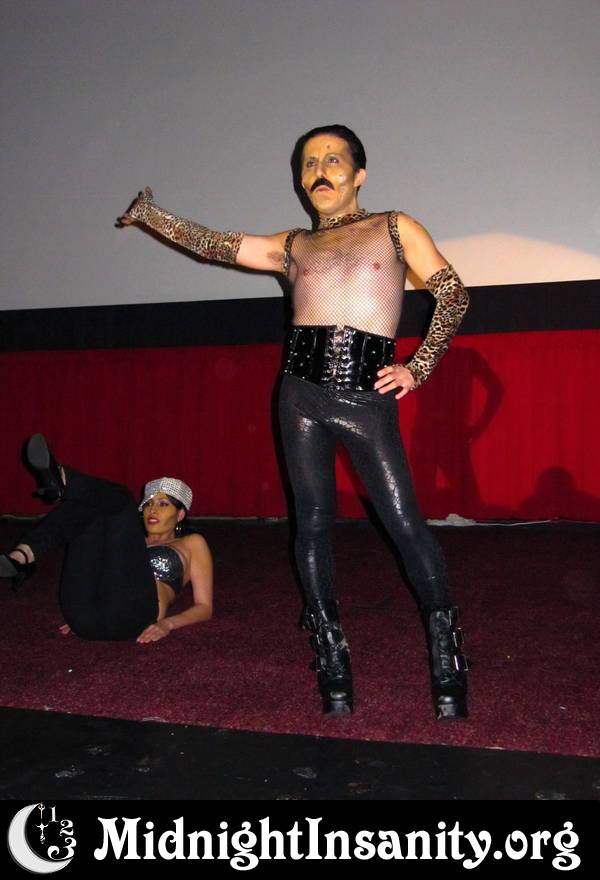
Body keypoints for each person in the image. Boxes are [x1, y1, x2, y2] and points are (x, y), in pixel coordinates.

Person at [117, 123, 470, 718]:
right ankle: (332, 657)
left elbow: (453, 293)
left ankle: (447, 654)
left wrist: (418, 366)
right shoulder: (293, 245)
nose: (319, 170)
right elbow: (214, 244)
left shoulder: (393, 227)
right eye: (309, 162)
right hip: (300, 396)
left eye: (333, 159)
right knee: (312, 525)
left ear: (359, 174)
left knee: (405, 524)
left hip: (366, 396)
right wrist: (152, 215)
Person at [0, 434, 212, 643]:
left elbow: (204, 607)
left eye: (163, 504)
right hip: (83, 616)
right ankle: (23, 555)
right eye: (148, 504)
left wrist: (168, 624)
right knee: (92, 511)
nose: (152, 510)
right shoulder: (127, 538)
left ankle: (62, 482)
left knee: (121, 499)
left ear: (180, 514)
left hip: (134, 615)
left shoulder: (191, 543)